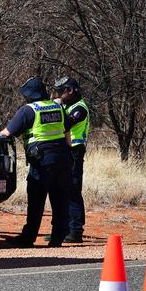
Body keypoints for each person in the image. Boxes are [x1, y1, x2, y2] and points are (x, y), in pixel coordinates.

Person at [0, 77, 72, 247]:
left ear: (29, 95)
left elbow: (7, 134)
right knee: (60, 199)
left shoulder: (28, 110)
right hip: (63, 159)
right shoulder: (59, 107)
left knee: (36, 201)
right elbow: (67, 135)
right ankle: (57, 239)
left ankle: (28, 238)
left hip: (42, 162)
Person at [52, 76, 89, 243]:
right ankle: (62, 229)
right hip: (64, 150)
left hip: (75, 151)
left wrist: (57, 108)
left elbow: (67, 123)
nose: (59, 95)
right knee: (61, 190)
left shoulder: (80, 109)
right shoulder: (68, 105)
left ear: (70, 90)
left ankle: (75, 231)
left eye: (61, 92)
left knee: (73, 190)